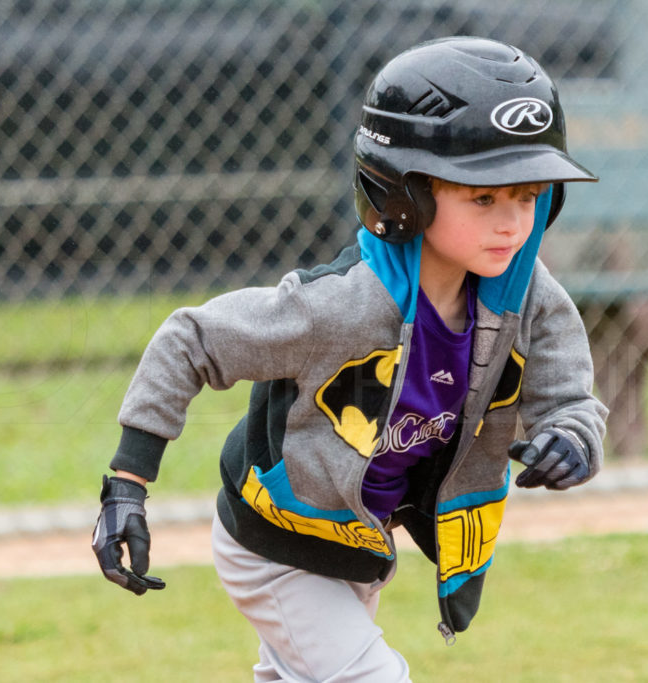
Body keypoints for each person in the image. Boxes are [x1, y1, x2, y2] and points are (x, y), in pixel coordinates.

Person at [91, 36, 608, 682]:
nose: (512, 223)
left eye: (528, 196)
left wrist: (573, 437)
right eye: (483, 198)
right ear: (405, 195)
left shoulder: (525, 295)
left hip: (358, 544)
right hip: (277, 539)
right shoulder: (338, 306)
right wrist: (126, 485)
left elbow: (568, 398)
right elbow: (190, 338)